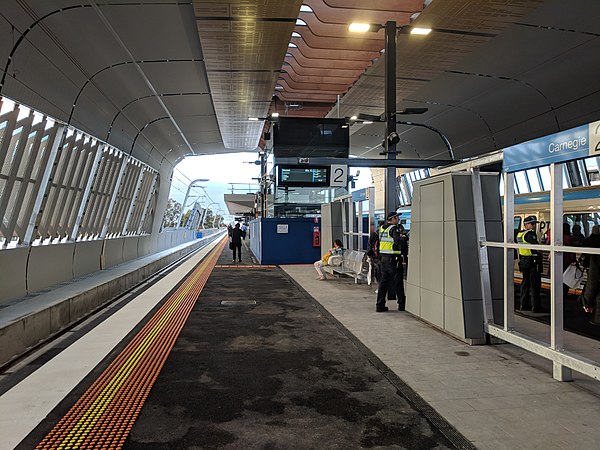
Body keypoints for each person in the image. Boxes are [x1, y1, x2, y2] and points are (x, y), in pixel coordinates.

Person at [376, 211, 408, 312]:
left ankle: (380, 306)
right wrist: (404, 238)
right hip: (393, 260)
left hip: (383, 260)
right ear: (393, 218)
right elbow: (397, 241)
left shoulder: (382, 229)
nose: (398, 219)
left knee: (383, 283)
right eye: (397, 218)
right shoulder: (394, 229)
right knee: (398, 283)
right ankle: (402, 305)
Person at [516, 216, 543, 312]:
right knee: (535, 285)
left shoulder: (520, 234)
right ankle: (535, 307)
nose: (534, 225)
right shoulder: (530, 234)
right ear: (527, 224)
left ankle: (523, 304)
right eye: (532, 224)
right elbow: (536, 247)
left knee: (525, 283)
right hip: (532, 262)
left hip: (523, 261)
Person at [582, 225, 600, 325]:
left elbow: (592, 282)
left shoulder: (588, 240)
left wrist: (587, 302)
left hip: (591, 265)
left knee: (593, 281)